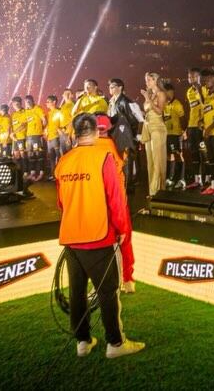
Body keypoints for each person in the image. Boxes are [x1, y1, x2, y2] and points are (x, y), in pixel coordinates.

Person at [54, 113, 144, 358]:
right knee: (108, 291)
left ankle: (82, 342)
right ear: (95, 132)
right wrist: (123, 229)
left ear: (74, 133)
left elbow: (61, 202)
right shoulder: (103, 157)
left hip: (72, 236)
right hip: (99, 235)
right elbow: (116, 199)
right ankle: (115, 344)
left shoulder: (64, 161)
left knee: (77, 290)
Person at [94, 114, 135, 294]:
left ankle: (104, 284)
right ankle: (127, 279)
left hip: (100, 203)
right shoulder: (116, 145)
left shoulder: (90, 147)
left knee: (101, 244)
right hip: (120, 201)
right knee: (125, 241)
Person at [107, 78, 140, 193]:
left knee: (127, 159)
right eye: (109, 87)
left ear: (120, 88)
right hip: (116, 134)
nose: (110, 89)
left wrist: (134, 136)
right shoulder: (113, 101)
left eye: (113, 86)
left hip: (125, 134)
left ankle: (128, 185)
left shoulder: (125, 101)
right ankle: (122, 183)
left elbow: (134, 119)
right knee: (120, 159)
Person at [141, 73, 168, 196]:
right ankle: (153, 189)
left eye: (149, 80)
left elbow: (159, 111)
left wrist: (148, 99)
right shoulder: (150, 94)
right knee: (150, 160)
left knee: (157, 159)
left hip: (158, 128)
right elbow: (148, 110)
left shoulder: (161, 94)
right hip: (147, 127)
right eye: (146, 80)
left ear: (155, 80)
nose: (146, 82)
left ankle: (157, 190)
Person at [183, 68, 207, 190]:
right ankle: (196, 180)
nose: (191, 78)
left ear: (199, 77)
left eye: (193, 76)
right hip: (192, 126)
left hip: (201, 127)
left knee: (204, 153)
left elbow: (206, 105)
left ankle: (207, 180)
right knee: (194, 153)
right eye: (189, 76)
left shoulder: (204, 89)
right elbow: (191, 109)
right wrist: (187, 127)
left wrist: (199, 91)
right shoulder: (188, 91)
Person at [163, 83, 186, 190]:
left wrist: (183, 131)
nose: (166, 94)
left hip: (176, 134)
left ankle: (181, 178)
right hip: (166, 134)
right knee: (169, 156)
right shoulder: (163, 104)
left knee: (178, 155)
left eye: (168, 92)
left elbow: (183, 119)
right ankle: (170, 178)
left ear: (172, 92)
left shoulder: (177, 104)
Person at [24, 95, 47, 180]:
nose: (28, 103)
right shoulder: (27, 111)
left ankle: (41, 173)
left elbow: (44, 120)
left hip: (37, 135)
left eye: (29, 101)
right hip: (29, 136)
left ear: (33, 101)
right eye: (26, 102)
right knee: (31, 155)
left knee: (39, 154)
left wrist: (42, 130)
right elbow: (25, 123)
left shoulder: (37, 108)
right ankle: (32, 173)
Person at [45, 96, 63, 180]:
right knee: (51, 158)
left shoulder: (59, 111)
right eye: (47, 102)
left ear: (54, 102)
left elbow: (61, 124)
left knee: (58, 157)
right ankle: (53, 175)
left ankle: (59, 174)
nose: (47, 103)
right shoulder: (48, 113)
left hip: (56, 137)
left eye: (48, 101)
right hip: (49, 138)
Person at [10, 97, 29, 175]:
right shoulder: (13, 114)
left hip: (22, 137)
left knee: (23, 155)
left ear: (21, 103)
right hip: (15, 138)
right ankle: (19, 173)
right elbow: (12, 126)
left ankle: (26, 172)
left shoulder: (25, 112)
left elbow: (24, 124)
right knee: (16, 156)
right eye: (14, 104)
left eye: (17, 103)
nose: (16, 105)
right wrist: (12, 134)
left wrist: (14, 132)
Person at [58, 88, 75, 154]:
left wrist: (68, 136)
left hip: (69, 133)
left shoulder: (73, 106)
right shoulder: (62, 107)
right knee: (64, 154)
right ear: (63, 95)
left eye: (69, 94)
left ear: (72, 95)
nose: (67, 95)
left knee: (70, 154)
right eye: (66, 94)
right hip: (62, 133)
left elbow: (73, 120)